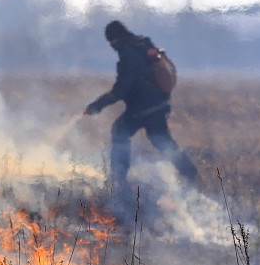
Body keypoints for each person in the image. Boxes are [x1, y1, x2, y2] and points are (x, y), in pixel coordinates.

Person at [84, 21, 197, 195]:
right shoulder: (143, 42)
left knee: (120, 131)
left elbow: (120, 90)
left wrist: (96, 106)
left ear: (115, 39)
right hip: (161, 103)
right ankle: (188, 171)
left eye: (111, 42)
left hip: (143, 108)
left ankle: (118, 180)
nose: (112, 46)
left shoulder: (127, 55)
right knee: (161, 140)